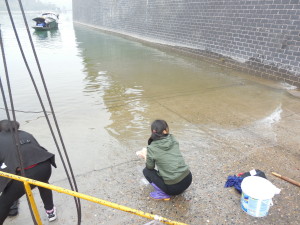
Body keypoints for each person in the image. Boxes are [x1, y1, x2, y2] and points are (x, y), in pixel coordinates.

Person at [0, 120, 57, 224]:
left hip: (25, 175)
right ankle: (51, 212)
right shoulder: (26, 134)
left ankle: (11, 207)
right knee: (44, 184)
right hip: (45, 167)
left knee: (3, 203)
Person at [141, 119, 192, 200]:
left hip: (173, 188)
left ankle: (163, 193)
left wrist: (146, 157)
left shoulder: (151, 148)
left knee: (146, 171)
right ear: (165, 130)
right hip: (188, 179)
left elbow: (150, 167)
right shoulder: (173, 138)